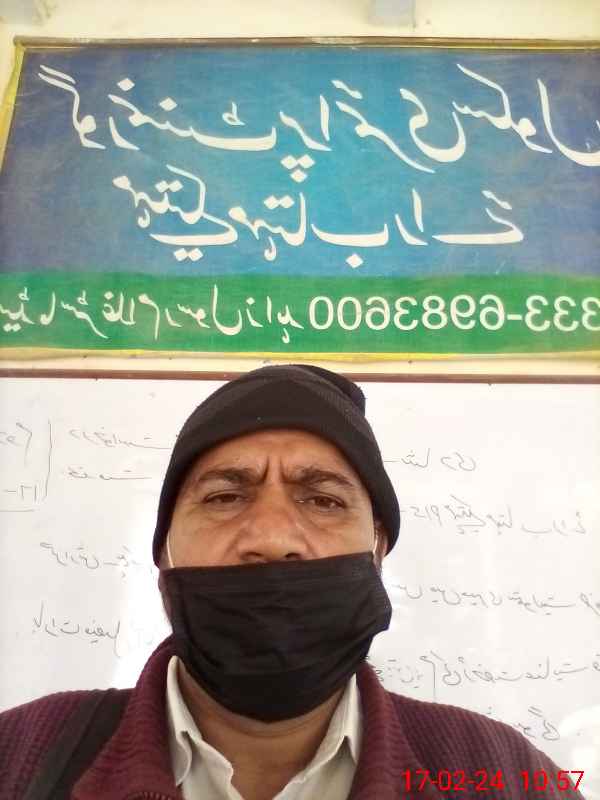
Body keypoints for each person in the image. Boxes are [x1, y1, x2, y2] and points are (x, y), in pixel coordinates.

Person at [0, 365, 585, 800]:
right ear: (163, 556)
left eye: (323, 500)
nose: (274, 537)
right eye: (224, 497)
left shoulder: (505, 775)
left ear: (378, 550)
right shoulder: (19, 758)